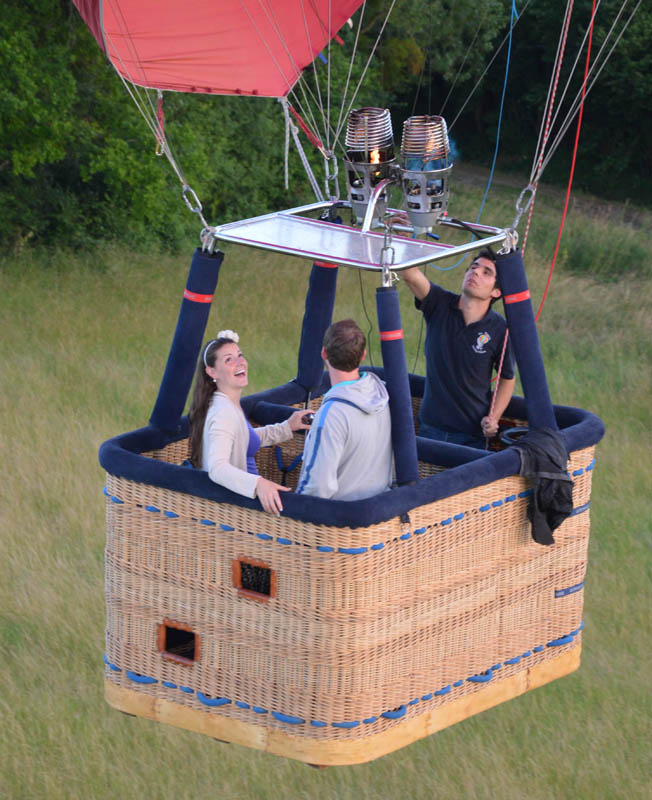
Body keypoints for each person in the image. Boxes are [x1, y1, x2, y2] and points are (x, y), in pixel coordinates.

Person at [402, 249, 516, 448]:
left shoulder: (500, 330)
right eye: (473, 268)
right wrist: (403, 234)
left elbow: (507, 378)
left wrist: (493, 418)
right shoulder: (439, 304)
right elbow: (410, 275)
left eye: (486, 272)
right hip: (430, 429)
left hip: (472, 437)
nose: (476, 272)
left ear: (496, 292)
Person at [189, 330, 310, 515]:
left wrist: (287, 427)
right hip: (241, 512)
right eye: (229, 359)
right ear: (212, 372)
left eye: (240, 355)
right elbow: (217, 467)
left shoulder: (226, 404)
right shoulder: (223, 412)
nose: (240, 362)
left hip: (247, 504)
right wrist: (258, 484)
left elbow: (245, 438)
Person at [296, 319, 393, 500]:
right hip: (380, 513)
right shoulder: (383, 395)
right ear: (363, 354)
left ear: (324, 353)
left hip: (341, 522)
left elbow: (316, 488)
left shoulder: (331, 416)